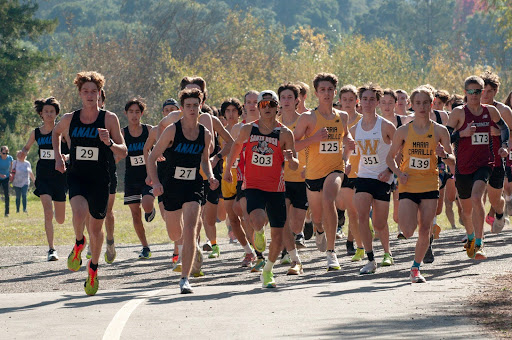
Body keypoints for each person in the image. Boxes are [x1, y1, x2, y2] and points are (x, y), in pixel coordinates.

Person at [53, 71, 127, 296]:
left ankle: (93, 268)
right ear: (80, 93)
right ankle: (78, 242)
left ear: (99, 94)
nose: (90, 95)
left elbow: (124, 151)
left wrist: (110, 142)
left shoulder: (109, 118)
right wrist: (58, 156)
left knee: (96, 228)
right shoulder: (69, 118)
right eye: (85, 91)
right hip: (77, 175)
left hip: (100, 179)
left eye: (94, 91)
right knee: (78, 212)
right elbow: (56, 133)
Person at [224, 90, 299, 287]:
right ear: (258, 107)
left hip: (275, 188)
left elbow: (294, 165)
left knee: (277, 235)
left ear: (277, 107)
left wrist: (291, 159)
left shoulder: (284, 133)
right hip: (253, 185)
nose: (268, 108)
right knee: (257, 219)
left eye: (272, 104)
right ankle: (258, 231)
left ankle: (268, 271)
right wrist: (227, 170)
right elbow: (235, 148)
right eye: (264, 105)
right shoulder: (248, 129)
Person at [147, 88, 218, 294]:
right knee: (175, 233)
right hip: (171, 186)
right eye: (188, 106)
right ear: (182, 108)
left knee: (190, 230)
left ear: (201, 106)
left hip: (193, 185)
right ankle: (182, 251)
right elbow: (152, 157)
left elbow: (205, 161)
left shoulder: (204, 134)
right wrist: (156, 183)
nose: (193, 109)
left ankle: (185, 278)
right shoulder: (172, 130)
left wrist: (211, 176)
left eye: (196, 105)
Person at [386, 86, 455, 283]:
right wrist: (399, 173)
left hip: (430, 184)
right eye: (418, 103)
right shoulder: (403, 131)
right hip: (408, 185)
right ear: (411, 105)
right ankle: (415, 218)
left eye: (426, 102)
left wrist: (445, 155)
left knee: (425, 229)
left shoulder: (440, 131)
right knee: (407, 230)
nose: (422, 106)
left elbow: (452, 161)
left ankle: (415, 268)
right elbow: (389, 158)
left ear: (431, 103)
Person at [293, 73, 353, 271]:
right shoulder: (308, 117)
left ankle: (331, 252)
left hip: (335, 168)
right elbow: (293, 144)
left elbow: (346, 137)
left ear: (335, 92)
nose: (326, 93)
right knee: (317, 217)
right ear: (317, 94)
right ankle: (319, 230)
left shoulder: (342, 116)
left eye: (330, 90)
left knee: (329, 199)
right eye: (322, 90)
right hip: (312, 174)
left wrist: (348, 147)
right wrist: (314, 138)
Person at [446, 75, 509, 260]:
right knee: (466, 211)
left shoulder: (490, 111)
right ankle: (471, 237)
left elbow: (504, 128)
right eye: (471, 92)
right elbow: (446, 137)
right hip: (463, 166)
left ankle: (480, 244)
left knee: (477, 197)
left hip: (485, 163)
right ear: (465, 93)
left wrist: (504, 145)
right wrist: (462, 133)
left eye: (478, 91)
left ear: (482, 93)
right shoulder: (458, 113)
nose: (474, 95)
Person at [351, 83, 396, 274]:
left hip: (383, 178)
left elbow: (400, 151)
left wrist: (389, 171)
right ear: (359, 102)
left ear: (377, 102)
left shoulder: (386, 126)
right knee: (361, 216)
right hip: (363, 176)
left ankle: (387, 252)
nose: (368, 103)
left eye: (372, 99)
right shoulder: (354, 129)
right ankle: (370, 259)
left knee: (379, 223)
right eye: (364, 99)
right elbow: (351, 152)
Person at [21, 97, 69, 261]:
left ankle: (56, 210)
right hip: (43, 176)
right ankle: (51, 249)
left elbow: (72, 149)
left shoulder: (62, 132)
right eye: (46, 111)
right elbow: (26, 148)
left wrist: (66, 156)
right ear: (41, 113)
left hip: (60, 176)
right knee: (47, 212)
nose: (49, 114)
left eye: (52, 111)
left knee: (60, 219)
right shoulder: (36, 132)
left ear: (57, 113)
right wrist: (22, 153)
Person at [219, 98, 256, 267]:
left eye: (234, 110)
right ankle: (248, 251)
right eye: (227, 111)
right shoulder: (221, 130)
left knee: (245, 215)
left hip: (242, 175)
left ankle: (257, 250)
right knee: (233, 219)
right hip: (227, 177)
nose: (231, 114)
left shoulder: (246, 128)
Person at [144, 97, 180, 264]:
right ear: (163, 113)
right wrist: (150, 174)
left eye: (173, 109)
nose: (170, 112)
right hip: (163, 175)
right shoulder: (155, 131)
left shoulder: (182, 129)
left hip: (179, 175)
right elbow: (146, 150)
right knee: (167, 214)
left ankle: (178, 249)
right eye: (167, 110)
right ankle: (178, 242)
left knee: (182, 213)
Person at [277, 83, 306, 275]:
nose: (286, 101)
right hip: (281, 178)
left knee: (296, 224)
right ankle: (287, 253)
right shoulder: (275, 123)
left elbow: (313, 146)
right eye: (283, 97)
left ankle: (307, 230)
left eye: (290, 97)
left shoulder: (305, 121)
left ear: (297, 100)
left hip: (302, 177)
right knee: (283, 218)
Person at [122, 98, 156, 259]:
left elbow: (157, 150)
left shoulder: (149, 130)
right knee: (135, 214)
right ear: (126, 114)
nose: (134, 115)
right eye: (131, 112)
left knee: (147, 204)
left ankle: (150, 210)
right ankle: (145, 247)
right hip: (131, 178)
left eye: (137, 112)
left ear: (142, 113)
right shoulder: (123, 133)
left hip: (148, 175)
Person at [479, 71, 512, 233]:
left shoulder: (503, 110)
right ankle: (474, 236)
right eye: (482, 91)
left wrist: (504, 144)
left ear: (496, 92)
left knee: (494, 198)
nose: (485, 95)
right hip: (475, 159)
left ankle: (500, 212)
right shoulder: (471, 109)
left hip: (497, 159)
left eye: (489, 91)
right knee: (474, 197)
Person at [336, 85, 365, 261]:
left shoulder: (364, 120)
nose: (347, 103)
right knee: (351, 211)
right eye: (344, 100)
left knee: (359, 212)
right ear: (340, 101)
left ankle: (353, 242)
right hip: (344, 170)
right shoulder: (334, 120)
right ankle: (354, 243)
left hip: (363, 171)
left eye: (351, 99)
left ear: (357, 101)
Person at [0, 146, 13, 217]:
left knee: (7, 194)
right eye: (4, 153)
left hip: (6, 177)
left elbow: (11, 166)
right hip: (0, 176)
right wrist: (0, 175)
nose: (5, 155)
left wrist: (10, 173)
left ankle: (7, 212)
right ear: (0, 153)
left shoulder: (10, 158)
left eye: (6, 153)